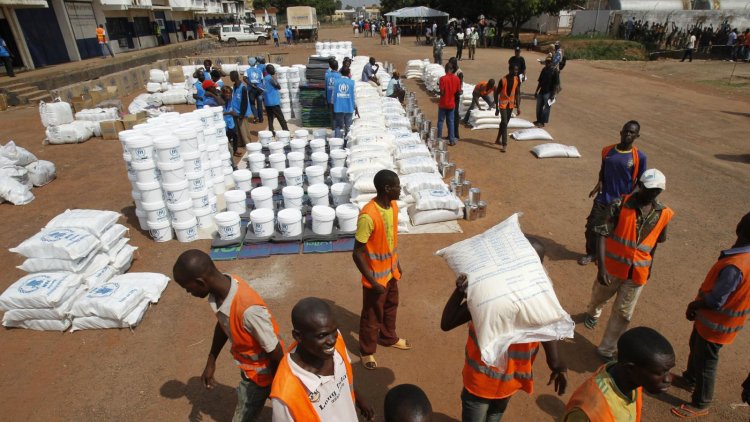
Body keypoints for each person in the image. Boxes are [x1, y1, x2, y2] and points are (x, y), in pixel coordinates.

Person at [441, 239, 568, 422]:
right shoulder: (541, 301)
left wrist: (460, 290)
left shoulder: (489, 296)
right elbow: (551, 349)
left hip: (479, 382)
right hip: (510, 383)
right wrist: (558, 367)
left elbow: (447, 322)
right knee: (495, 417)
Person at [172, 250, 284, 422]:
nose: (189, 293)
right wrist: (211, 359)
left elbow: (275, 351)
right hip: (251, 371)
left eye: (188, 289)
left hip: (263, 374)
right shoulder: (224, 288)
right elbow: (224, 322)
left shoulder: (249, 311)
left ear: (201, 282)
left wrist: (279, 385)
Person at [583, 169, 674, 362]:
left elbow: (654, 243)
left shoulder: (664, 214)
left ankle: (606, 349)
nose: (652, 194)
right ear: (639, 186)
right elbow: (601, 233)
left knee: (623, 313)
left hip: (638, 272)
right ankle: (593, 312)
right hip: (612, 269)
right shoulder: (619, 204)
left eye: (656, 191)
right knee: (598, 297)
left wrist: (650, 267)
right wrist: (601, 267)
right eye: (649, 189)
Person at [670, 211, 750, 419]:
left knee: (706, 361)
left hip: (715, 323)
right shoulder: (742, 258)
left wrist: (695, 304)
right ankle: (689, 379)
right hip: (717, 322)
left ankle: (701, 402)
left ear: (740, 228)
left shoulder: (735, 265)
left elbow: (716, 301)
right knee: (696, 348)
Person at [269, 297, 375, 421]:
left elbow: (346, 376)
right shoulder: (286, 395)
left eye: (334, 331)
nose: (332, 340)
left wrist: (360, 399)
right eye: (322, 335)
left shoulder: (337, 341)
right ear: (298, 336)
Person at [352, 169, 410, 371]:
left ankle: (388, 337)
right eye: (397, 186)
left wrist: (397, 263)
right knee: (371, 315)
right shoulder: (368, 216)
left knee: (391, 306)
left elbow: (390, 241)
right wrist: (372, 281)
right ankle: (367, 350)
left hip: (391, 273)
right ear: (387, 188)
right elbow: (357, 253)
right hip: (375, 279)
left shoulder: (393, 207)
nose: (400, 189)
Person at [562, 327, 675, 421]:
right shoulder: (589, 410)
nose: (668, 379)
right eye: (660, 373)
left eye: (668, 371)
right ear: (630, 368)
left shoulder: (633, 381)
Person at [579, 121, 647, 266]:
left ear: (637, 136)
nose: (628, 134)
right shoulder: (608, 151)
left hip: (621, 202)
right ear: (621, 132)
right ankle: (592, 253)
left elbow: (640, 182)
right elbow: (603, 169)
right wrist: (599, 183)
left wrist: (629, 199)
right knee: (592, 227)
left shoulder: (639, 157)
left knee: (613, 231)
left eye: (632, 132)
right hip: (603, 197)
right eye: (626, 131)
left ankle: (606, 256)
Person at [493, 64, 521, 153]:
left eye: (517, 70)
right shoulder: (503, 80)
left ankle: (497, 139)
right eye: (514, 70)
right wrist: (497, 108)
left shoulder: (517, 79)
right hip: (503, 105)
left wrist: (518, 107)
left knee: (504, 123)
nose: (516, 72)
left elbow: (517, 93)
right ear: (510, 70)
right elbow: (496, 93)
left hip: (511, 105)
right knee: (504, 122)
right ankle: (504, 144)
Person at [437, 62, 461, 146]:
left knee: (440, 121)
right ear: (452, 69)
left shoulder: (442, 79)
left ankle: (439, 138)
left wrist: (441, 93)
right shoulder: (457, 79)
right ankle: (452, 140)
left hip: (443, 103)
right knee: (451, 121)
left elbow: (442, 92)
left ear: (446, 69)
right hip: (451, 104)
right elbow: (458, 92)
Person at [533, 56, 559, 128]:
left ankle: (542, 122)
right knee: (538, 107)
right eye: (547, 62)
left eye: (549, 62)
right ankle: (538, 120)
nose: (547, 63)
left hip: (549, 92)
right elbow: (540, 81)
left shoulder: (554, 71)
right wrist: (536, 91)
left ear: (551, 62)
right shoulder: (544, 69)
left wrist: (553, 94)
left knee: (546, 109)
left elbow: (556, 84)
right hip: (541, 91)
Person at [333, 67, 359, 139]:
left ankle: (337, 141)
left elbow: (333, 95)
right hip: (349, 107)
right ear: (348, 74)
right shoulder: (352, 82)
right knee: (348, 127)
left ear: (340, 73)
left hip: (338, 107)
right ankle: (347, 142)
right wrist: (356, 107)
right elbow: (354, 96)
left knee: (338, 126)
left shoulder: (336, 82)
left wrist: (332, 105)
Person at [262, 64, 288, 134]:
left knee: (270, 118)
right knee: (281, 118)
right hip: (273, 102)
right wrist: (275, 78)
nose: (274, 70)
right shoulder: (270, 78)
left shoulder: (264, 78)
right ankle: (286, 131)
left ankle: (271, 131)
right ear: (268, 70)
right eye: (272, 69)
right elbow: (278, 87)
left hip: (267, 102)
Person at [230, 71, 250, 156]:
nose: (230, 78)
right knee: (238, 129)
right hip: (235, 111)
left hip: (242, 112)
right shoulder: (234, 86)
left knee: (244, 129)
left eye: (231, 76)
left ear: (234, 77)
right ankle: (240, 142)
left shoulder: (243, 88)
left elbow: (244, 102)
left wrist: (242, 114)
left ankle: (248, 144)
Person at [221, 86, 240, 158]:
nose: (228, 95)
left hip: (230, 121)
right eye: (227, 93)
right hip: (224, 123)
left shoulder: (230, 100)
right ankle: (228, 152)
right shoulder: (220, 102)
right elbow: (219, 113)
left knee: (235, 135)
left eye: (229, 93)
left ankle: (235, 150)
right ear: (223, 93)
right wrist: (229, 113)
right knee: (227, 138)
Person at [447, 57, 463, 140]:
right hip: (449, 96)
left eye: (451, 64)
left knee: (455, 115)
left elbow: (460, 86)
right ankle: (450, 134)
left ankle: (456, 134)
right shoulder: (451, 70)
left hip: (455, 97)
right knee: (449, 116)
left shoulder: (459, 73)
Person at [244, 57, 264, 124]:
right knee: (259, 104)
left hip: (251, 90)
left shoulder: (247, 70)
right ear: (255, 62)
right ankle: (261, 119)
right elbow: (262, 80)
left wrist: (251, 84)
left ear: (249, 63)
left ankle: (256, 116)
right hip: (259, 89)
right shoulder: (259, 70)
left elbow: (244, 78)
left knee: (252, 104)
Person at [325, 59, 340, 129]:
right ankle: (338, 129)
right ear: (337, 67)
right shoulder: (339, 76)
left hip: (329, 98)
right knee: (338, 114)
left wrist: (326, 98)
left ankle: (333, 128)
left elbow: (325, 87)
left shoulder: (327, 75)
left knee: (333, 115)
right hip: (337, 99)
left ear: (330, 66)